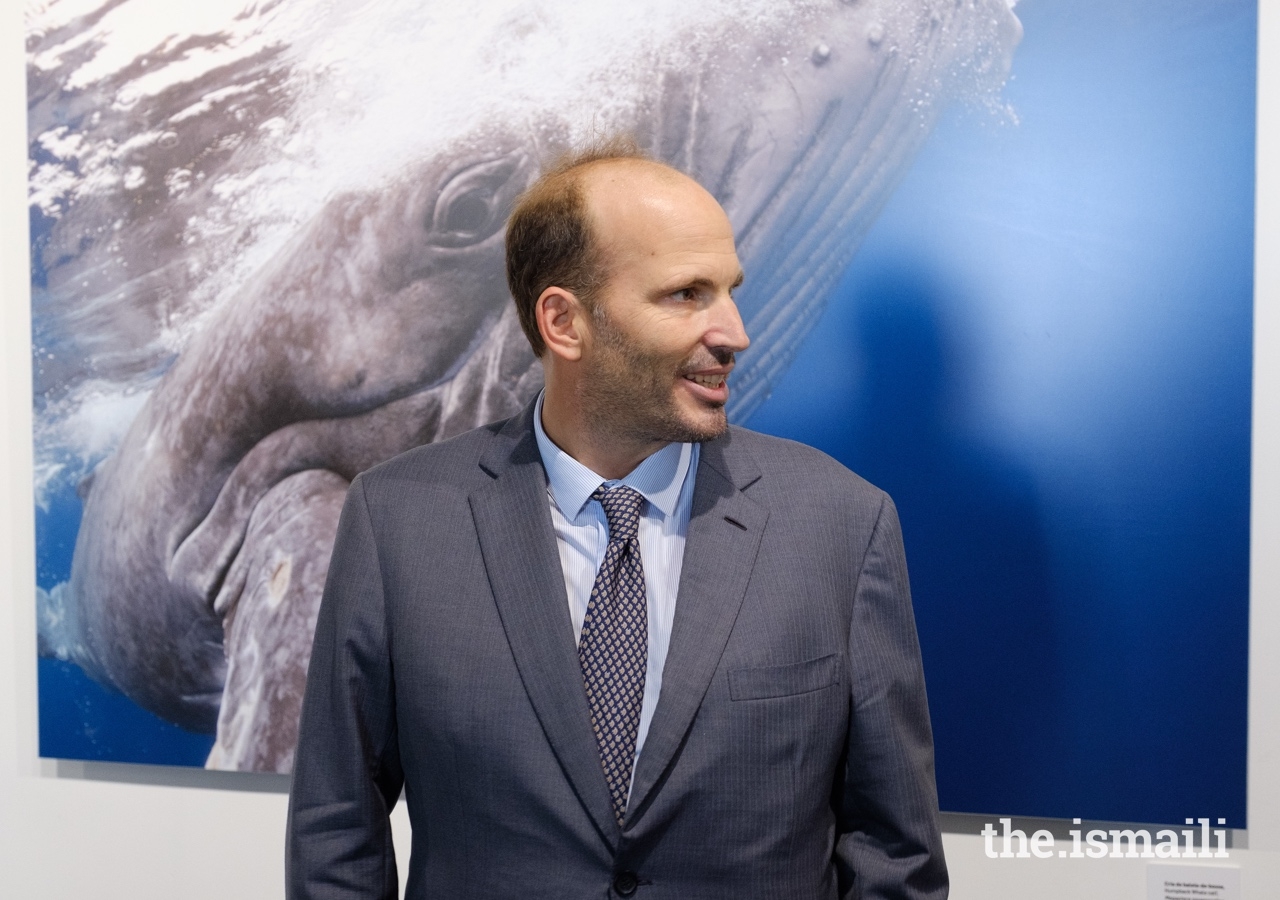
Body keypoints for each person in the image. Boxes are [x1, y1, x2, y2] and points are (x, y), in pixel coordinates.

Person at [286, 140, 948, 899]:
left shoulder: (840, 524)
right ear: (564, 323)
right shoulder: (398, 519)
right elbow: (337, 828)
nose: (734, 332)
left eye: (729, 290)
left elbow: (893, 853)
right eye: (685, 294)